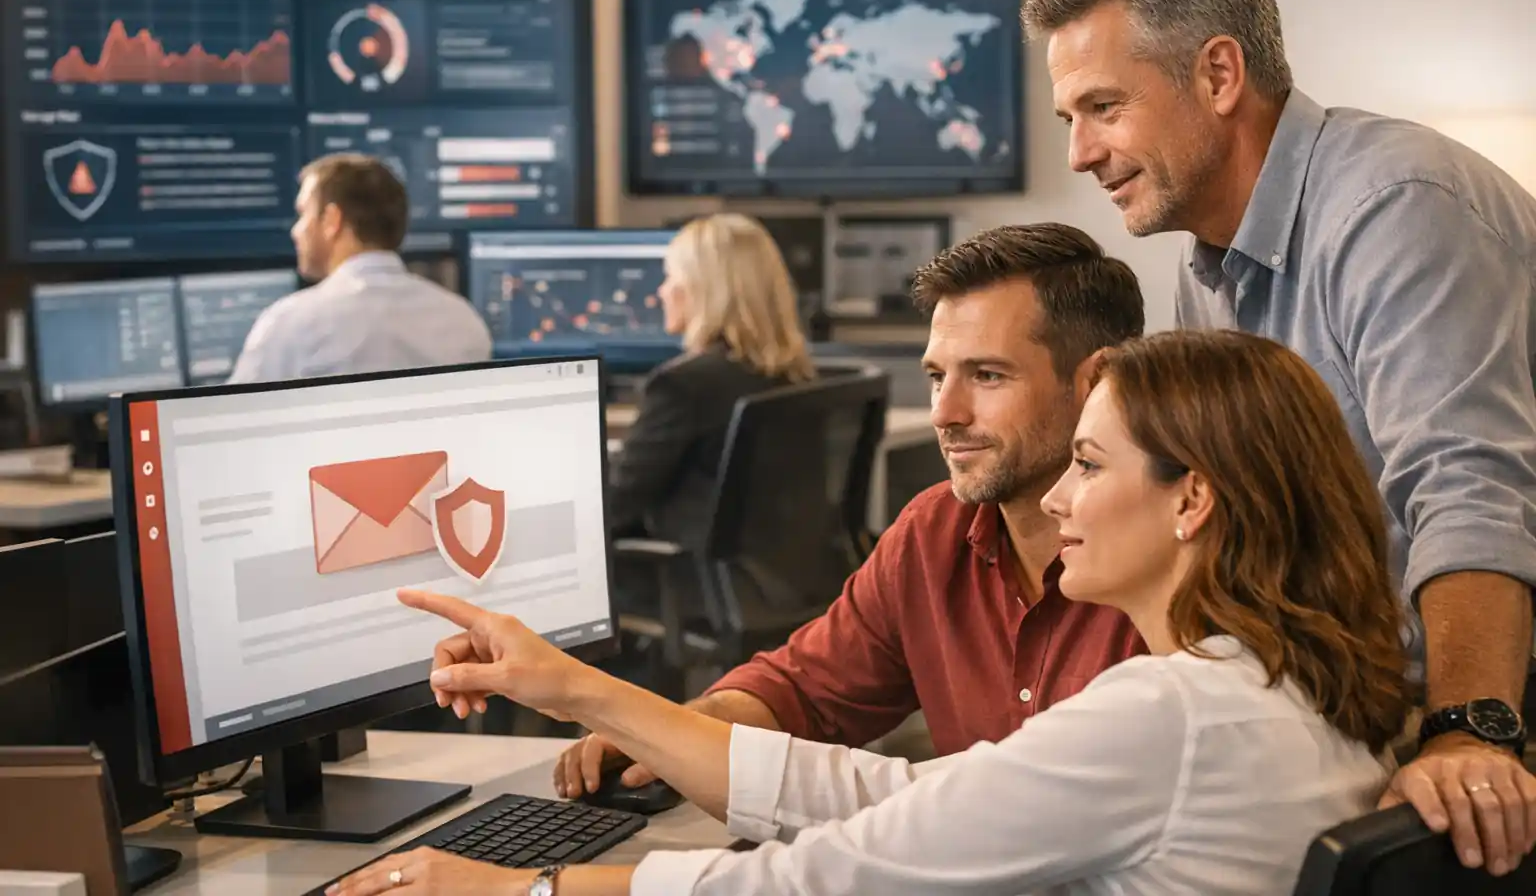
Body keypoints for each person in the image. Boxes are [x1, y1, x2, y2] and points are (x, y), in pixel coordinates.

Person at [330, 330, 1413, 896]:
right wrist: (579, 690)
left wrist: (532, 885)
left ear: (1193, 497)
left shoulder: (1169, 714)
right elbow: (892, 791)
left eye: (1088, 463)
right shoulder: (1284, 685)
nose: (1059, 498)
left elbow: (834, 875)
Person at [1023, 0, 1536, 875]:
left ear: (1219, 73)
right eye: (1071, 116)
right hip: (1348, 712)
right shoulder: (1207, 269)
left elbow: (1471, 488)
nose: (1081, 152)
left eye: (1103, 107)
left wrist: (1468, 732)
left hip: (1487, 712)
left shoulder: (1396, 204)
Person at [559, 223, 1148, 799]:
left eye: (988, 375)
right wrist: (666, 732)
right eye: (937, 377)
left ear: (1095, 381)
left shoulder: (1176, 556)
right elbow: (802, 692)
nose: (946, 413)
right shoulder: (933, 532)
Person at [606, 213, 815, 558]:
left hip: (684, 581)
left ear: (702, 290)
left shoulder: (682, 386)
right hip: (778, 579)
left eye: (671, 277)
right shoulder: (793, 372)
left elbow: (615, 506)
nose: (662, 291)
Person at [227, 153, 491, 383]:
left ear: (332, 220)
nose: (296, 231)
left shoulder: (291, 324)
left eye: (303, 213)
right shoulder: (464, 320)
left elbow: (232, 425)